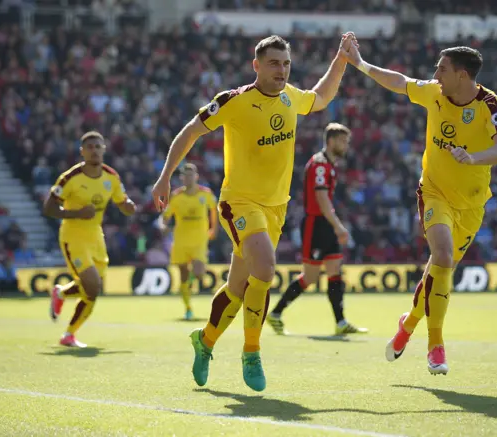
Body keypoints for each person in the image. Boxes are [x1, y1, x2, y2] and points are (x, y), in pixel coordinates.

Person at [151, 34, 352, 391]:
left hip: (276, 206)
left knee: (237, 288)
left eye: (286, 63)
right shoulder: (233, 100)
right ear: (256, 65)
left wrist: (340, 59)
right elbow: (190, 132)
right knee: (265, 267)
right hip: (238, 203)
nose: (282, 70)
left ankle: (205, 340)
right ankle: (252, 352)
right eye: (274, 63)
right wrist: (165, 177)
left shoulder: (291, 97)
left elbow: (321, 96)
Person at [341, 38, 497, 375]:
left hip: (472, 204)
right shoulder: (435, 92)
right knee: (443, 257)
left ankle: (409, 323)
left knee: (439, 269)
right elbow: (399, 82)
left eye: (442, 69)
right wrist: (360, 64)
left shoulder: (490, 105)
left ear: (462, 76)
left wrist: (473, 158)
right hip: (434, 192)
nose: (435, 74)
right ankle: (436, 345)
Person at [266, 123, 367, 336]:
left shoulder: (329, 165)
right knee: (310, 277)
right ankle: (275, 314)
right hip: (316, 224)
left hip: (326, 224)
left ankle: (340, 322)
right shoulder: (320, 165)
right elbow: (321, 199)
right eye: (342, 141)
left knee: (334, 272)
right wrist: (339, 226)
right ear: (330, 141)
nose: (346, 145)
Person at [44, 131, 137, 348]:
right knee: (93, 287)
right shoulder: (70, 178)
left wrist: (129, 206)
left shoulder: (111, 177)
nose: (95, 150)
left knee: (93, 289)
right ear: (82, 152)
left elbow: (122, 201)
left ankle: (63, 305)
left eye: (98, 146)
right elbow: (49, 208)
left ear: (104, 150)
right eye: (90, 147)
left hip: (96, 235)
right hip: (73, 236)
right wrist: (75, 213)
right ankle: (68, 333)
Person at [159, 163, 218, 320]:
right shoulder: (176, 196)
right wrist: (163, 225)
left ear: (196, 177)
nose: (188, 178)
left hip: (199, 240)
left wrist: (213, 228)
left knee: (198, 273)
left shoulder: (205, 194)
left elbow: (214, 209)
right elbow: (166, 216)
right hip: (181, 241)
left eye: (191, 175)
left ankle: (189, 284)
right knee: (183, 275)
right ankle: (188, 309)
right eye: (185, 175)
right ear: (181, 178)